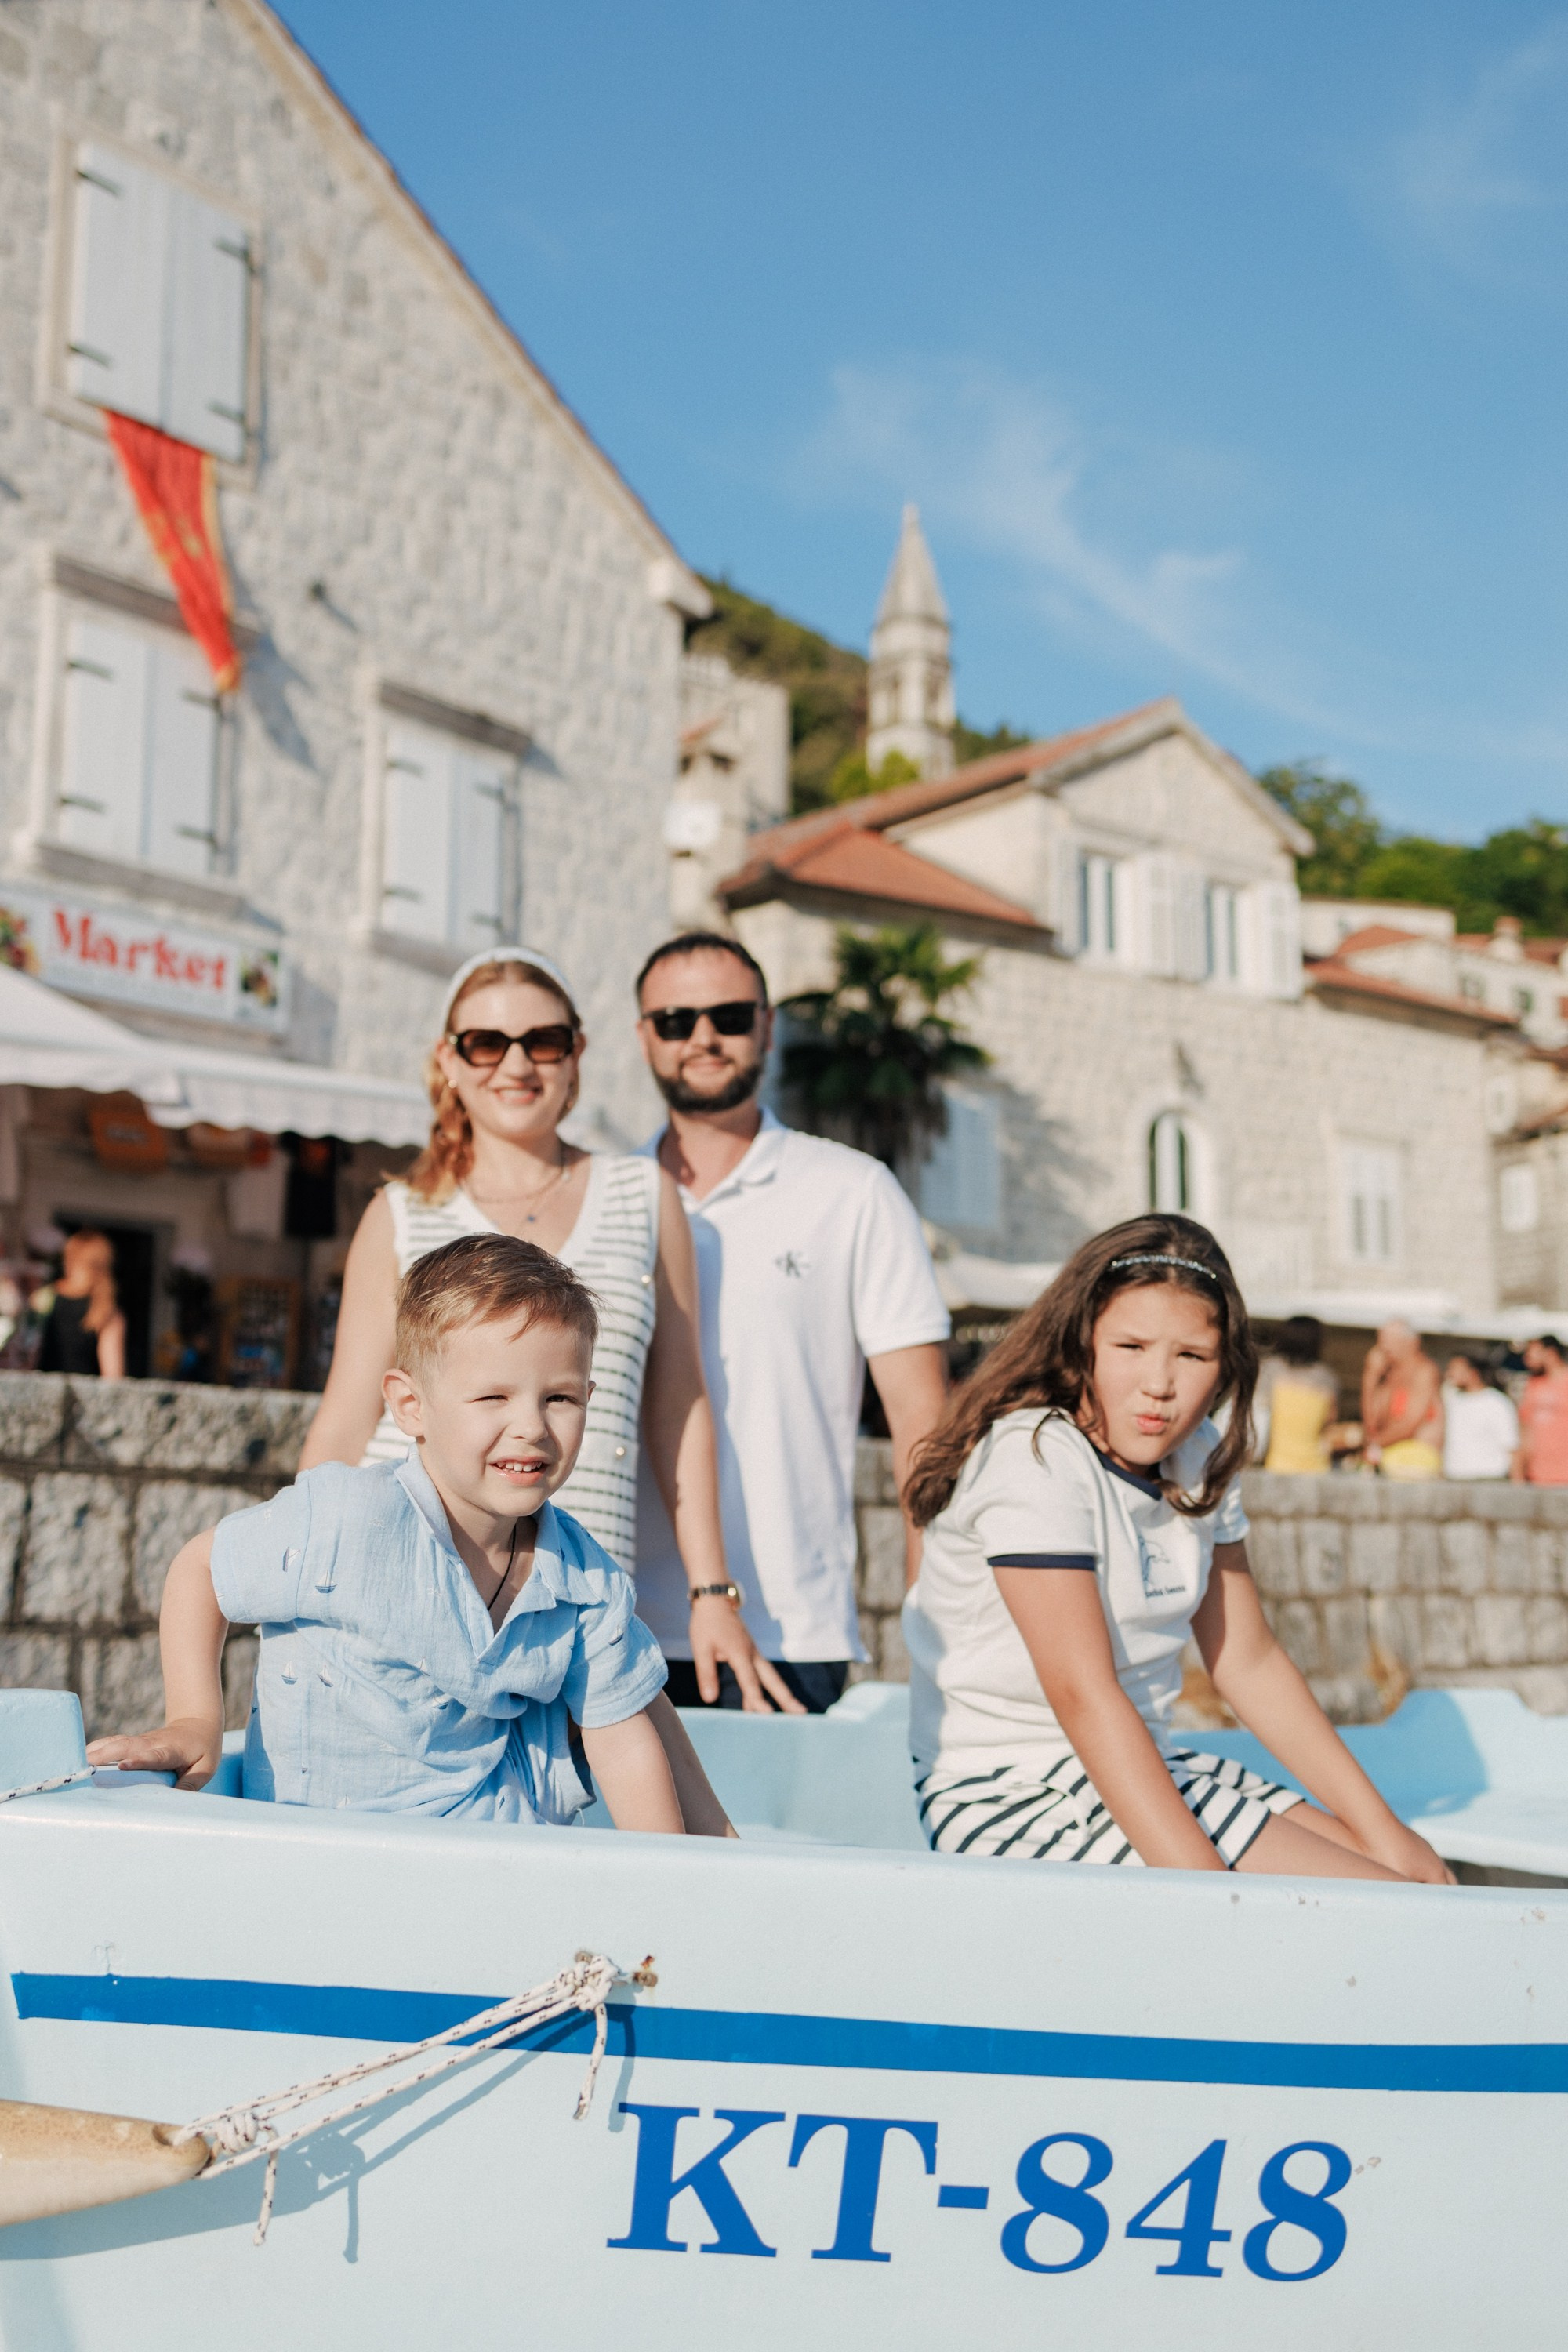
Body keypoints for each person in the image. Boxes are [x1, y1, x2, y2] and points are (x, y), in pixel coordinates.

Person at [89, 1236, 733, 1834]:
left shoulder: (583, 1577)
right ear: (410, 1407)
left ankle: (720, 1856)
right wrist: (195, 1718)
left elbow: (622, 1741)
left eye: (560, 1398)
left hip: (504, 1842)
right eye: (493, 1399)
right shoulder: (348, 1519)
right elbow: (201, 1569)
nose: (532, 1427)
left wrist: (668, 1884)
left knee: (628, 1677)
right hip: (335, 1848)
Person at [300, 946, 789, 1713]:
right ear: (450, 1061)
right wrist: (305, 1573)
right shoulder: (398, 1213)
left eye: (543, 1040)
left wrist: (711, 1591)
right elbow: (346, 1417)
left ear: (576, 1055)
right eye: (486, 1044)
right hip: (403, 1577)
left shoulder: (642, 1194)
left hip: (583, 1594)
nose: (516, 1063)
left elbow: (678, 1402)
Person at [900, 1214, 1453, 1880]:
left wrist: (1387, 1832)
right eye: (1131, 1347)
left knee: (1413, 1881)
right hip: (1014, 1790)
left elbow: (1248, 1660)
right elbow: (1084, 1692)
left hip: (1144, 1760)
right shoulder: (1037, 1456)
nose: (1159, 1383)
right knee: (1374, 1911)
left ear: (1225, 1368)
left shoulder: (1198, 1459)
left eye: (1191, 1356)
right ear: (1083, 1345)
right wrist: (1204, 1893)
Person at [633, 931, 952, 1714]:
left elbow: (922, 1425)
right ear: (643, 1036)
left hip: (787, 1633)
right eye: (675, 1021)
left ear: (768, 1026)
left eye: (728, 1016)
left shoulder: (853, 1192)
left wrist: (932, 1625)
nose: (702, 1037)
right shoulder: (607, 1195)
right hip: (614, 1623)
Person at [1360, 1319, 1443, 1479]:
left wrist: (1374, 1445)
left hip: (1416, 1459)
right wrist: (1370, 1377)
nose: (1383, 1347)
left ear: (1412, 1342)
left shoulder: (1425, 1372)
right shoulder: (1388, 1376)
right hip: (1386, 1456)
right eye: (1381, 1341)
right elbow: (1371, 1424)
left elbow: (1409, 1424)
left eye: (1390, 1341)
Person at [38, 1230, 125, 1379]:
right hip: (83, 1396)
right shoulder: (106, 1310)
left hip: (41, 1392)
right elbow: (113, 1376)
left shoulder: (45, 1296)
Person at [1255, 1314, 1337, 1473]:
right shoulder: (1327, 1379)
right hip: (1316, 1468)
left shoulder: (1269, 1370)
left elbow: (1258, 1413)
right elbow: (1330, 1423)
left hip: (1274, 1465)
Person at [1442, 1351, 1519, 1482]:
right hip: (1454, 1478)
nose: (1449, 1374)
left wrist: (1517, 1482)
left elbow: (1512, 1447)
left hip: (1488, 1479)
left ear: (1474, 1373)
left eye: (1455, 1369)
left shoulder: (1497, 1403)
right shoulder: (1451, 1400)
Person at [1512, 1334, 1568, 1484]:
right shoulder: (1533, 1384)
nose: (1526, 1359)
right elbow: (1525, 1430)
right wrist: (1518, 1473)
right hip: (1536, 1477)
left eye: (1531, 1354)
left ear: (1550, 1353)